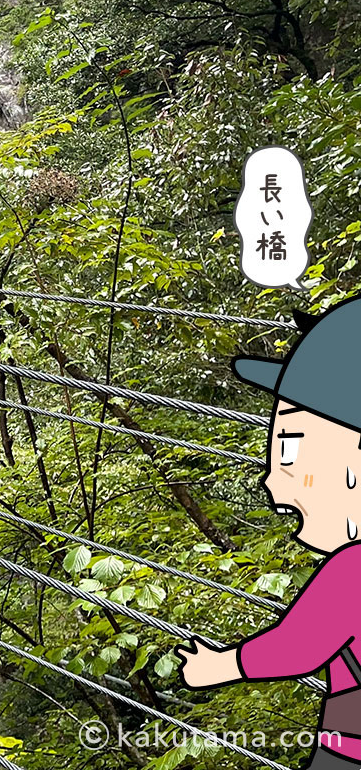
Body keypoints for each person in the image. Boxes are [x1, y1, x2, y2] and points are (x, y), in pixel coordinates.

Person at [177, 297, 361, 767]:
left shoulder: (352, 572)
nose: (271, 477)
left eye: (291, 449)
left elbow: (297, 648)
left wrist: (216, 667)